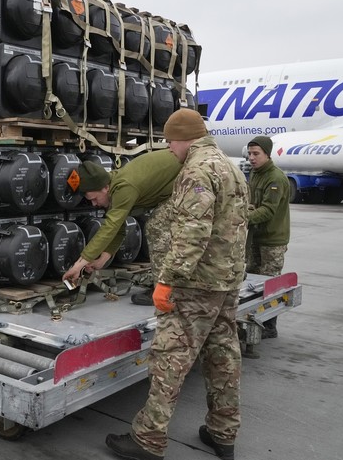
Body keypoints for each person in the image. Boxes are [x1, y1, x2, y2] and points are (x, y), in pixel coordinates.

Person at [105, 108, 249, 460]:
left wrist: (167, 280)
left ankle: (148, 439)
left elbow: (192, 232)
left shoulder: (197, 170)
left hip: (196, 284)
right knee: (223, 356)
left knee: (170, 359)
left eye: (170, 141)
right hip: (227, 281)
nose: (169, 148)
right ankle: (223, 433)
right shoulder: (231, 167)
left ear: (185, 138)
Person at [61, 151, 183, 305]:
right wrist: (101, 261)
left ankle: (165, 291)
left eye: (94, 199)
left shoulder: (124, 187)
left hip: (188, 178)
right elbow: (118, 229)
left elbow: (110, 227)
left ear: (105, 188)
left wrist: (78, 265)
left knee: (156, 227)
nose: (94, 204)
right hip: (176, 184)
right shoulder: (113, 187)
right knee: (157, 225)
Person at [245, 136, 290, 339]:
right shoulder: (255, 173)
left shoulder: (275, 178)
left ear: (267, 154)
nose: (251, 158)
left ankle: (270, 326)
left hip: (272, 240)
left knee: (269, 284)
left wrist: (242, 218)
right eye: (250, 153)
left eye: (256, 154)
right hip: (256, 236)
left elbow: (268, 210)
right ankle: (254, 321)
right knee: (252, 282)